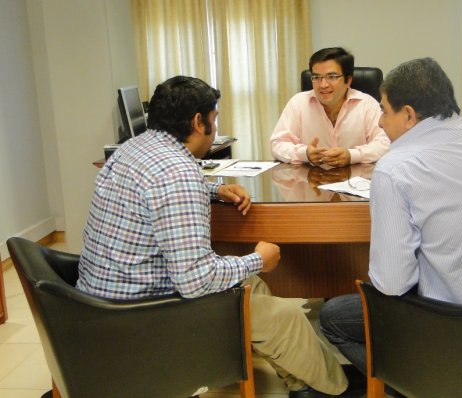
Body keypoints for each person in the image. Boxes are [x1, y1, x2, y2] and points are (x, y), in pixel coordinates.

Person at [77, 76, 363, 398]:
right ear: (198, 122)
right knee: (285, 316)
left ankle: (304, 382)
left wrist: (214, 190)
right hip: (144, 315)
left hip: (102, 302)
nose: (214, 129)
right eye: (214, 119)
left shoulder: (135, 148)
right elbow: (195, 281)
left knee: (253, 285)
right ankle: (335, 390)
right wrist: (258, 259)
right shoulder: (177, 174)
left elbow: (157, 192)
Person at [319, 57, 462, 380]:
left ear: (409, 115)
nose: (381, 123)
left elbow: (392, 285)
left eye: (384, 111)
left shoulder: (395, 168)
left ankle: (429, 381)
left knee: (333, 317)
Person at [270, 47, 389, 167]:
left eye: (332, 77)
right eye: (316, 77)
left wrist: (352, 155)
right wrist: (304, 153)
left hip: (355, 177)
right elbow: (277, 144)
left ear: (348, 80)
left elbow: (386, 143)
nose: (323, 85)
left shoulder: (367, 104)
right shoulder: (298, 103)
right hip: (310, 176)